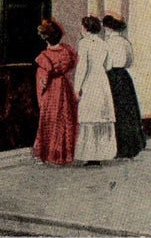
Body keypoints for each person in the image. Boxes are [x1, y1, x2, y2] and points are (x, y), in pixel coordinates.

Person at [32, 19, 78, 165]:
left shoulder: (45, 56)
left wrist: (41, 95)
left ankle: (51, 155)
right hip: (64, 86)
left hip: (52, 89)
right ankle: (65, 154)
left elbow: (43, 80)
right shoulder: (67, 51)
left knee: (50, 119)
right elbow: (72, 64)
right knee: (66, 118)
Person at [102, 13, 147, 158]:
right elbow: (130, 62)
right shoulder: (125, 42)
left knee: (114, 111)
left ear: (108, 28)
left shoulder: (107, 43)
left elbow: (107, 64)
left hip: (112, 78)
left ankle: (117, 147)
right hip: (124, 77)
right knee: (127, 112)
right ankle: (131, 147)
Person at [73, 15, 116, 164]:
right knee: (100, 117)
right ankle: (100, 155)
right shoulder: (104, 44)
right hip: (102, 81)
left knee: (89, 117)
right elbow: (108, 65)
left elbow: (82, 67)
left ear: (86, 28)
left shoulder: (84, 43)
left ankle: (90, 155)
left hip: (90, 81)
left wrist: (77, 88)